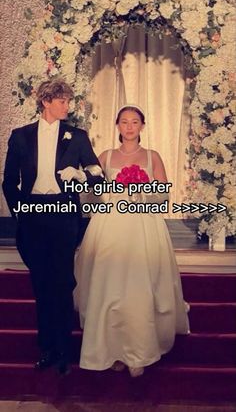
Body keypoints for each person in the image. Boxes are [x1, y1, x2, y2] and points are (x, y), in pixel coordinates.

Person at [73, 104, 190, 377]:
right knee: (110, 287)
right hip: (110, 225)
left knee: (138, 288)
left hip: (142, 225)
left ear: (141, 126)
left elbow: (163, 194)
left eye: (134, 122)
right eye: (124, 121)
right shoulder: (105, 156)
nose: (129, 126)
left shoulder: (152, 157)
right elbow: (90, 194)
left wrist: (141, 193)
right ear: (117, 126)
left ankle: (138, 351)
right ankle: (112, 349)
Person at [2, 79, 103, 375]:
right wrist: (21, 211)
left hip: (62, 213)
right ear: (46, 102)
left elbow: (98, 174)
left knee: (61, 283)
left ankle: (64, 351)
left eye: (68, 102)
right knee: (42, 285)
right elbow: (9, 181)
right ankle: (47, 349)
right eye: (62, 101)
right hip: (33, 215)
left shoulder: (77, 136)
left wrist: (82, 175)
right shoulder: (20, 136)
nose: (67, 106)